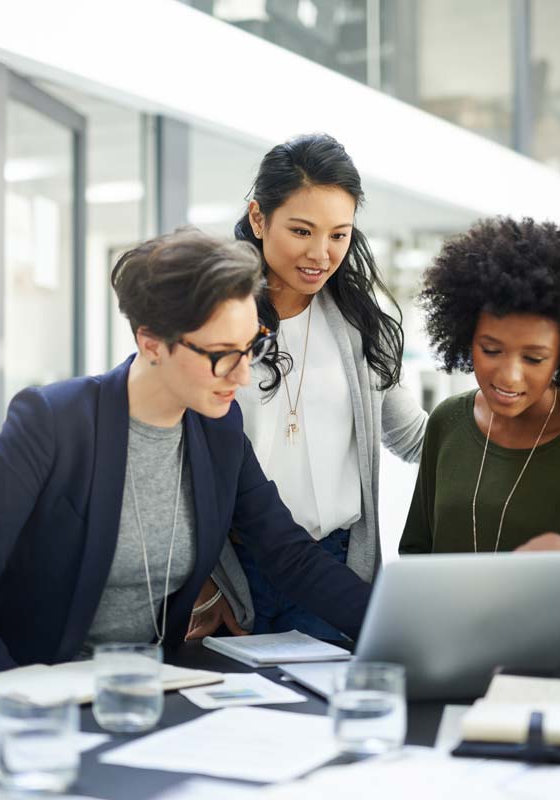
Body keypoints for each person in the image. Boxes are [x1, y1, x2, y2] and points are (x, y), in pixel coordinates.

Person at [0, 228, 371, 710]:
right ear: (151, 343)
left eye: (251, 346)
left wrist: (390, 631)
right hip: (7, 703)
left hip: (138, 698)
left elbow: (289, 556)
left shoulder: (218, 429)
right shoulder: (53, 423)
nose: (242, 374)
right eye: (221, 355)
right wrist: (29, 707)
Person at [187, 134, 426, 640]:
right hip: (234, 572)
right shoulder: (213, 320)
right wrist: (206, 582)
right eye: (301, 230)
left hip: (335, 567)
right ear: (258, 219)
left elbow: (413, 437)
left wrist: (511, 418)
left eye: (339, 235)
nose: (321, 253)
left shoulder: (363, 325)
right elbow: (175, 456)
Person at [399, 217, 560, 659]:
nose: (508, 376)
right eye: (490, 350)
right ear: (464, 336)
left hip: (555, 679)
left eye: (534, 357)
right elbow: (415, 560)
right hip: (449, 664)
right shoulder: (447, 423)